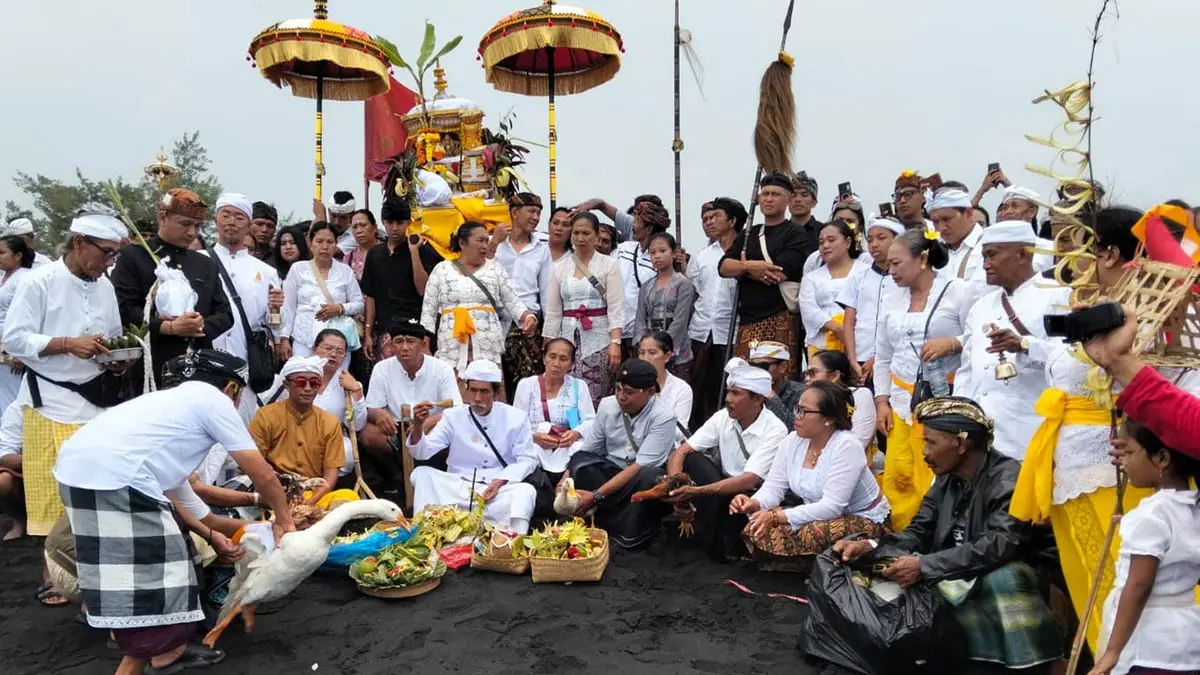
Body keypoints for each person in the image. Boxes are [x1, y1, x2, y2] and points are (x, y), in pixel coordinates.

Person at [53, 349, 295, 675]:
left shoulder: (170, 411)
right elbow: (260, 472)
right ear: (231, 389)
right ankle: (155, 654)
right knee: (167, 570)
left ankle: (146, 644)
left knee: (121, 570)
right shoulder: (212, 399)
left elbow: (200, 514)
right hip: (119, 476)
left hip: (76, 472)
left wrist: (216, 535)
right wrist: (285, 521)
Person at [831, 397, 1061, 671]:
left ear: (961, 444)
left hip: (1013, 571)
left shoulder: (1007, 477)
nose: (925, 452)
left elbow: (1000, 545)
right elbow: (918, 532)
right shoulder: (945, 479)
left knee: (1003, 578)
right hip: (959, 566)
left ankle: (1025, 662)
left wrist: (925, 566)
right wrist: (871, 547)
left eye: (931, 443)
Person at [3, 214, 126, 605]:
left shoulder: (105, 287)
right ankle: (52, 576)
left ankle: (91, 570)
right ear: (79, 243)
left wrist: (116, 358)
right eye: (105, 253)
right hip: (50, 402)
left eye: (114, 255)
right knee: (52, 493)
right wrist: (67, 344)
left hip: (96, 401)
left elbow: (113, 336)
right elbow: (14, 339)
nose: (109, 262)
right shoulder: (39, 282)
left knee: (94, 490)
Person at [873, 228, 973, 530]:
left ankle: (935, 539)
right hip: (901, 400)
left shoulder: (958, 291)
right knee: (899, 474)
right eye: (888, 264)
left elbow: (980, 336)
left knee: (934, 473)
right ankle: (903, 536)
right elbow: (883, 354)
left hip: (942, 398)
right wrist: (882, 401)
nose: (891, 271)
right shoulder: (891, 297)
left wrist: (952, 343)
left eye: (896, 263)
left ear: (923, 259)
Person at [734, 381, 889, 572]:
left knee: (811, 531)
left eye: (804, 411)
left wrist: (777, 516)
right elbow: (773, 488)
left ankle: (839, 560)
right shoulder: (792, 441)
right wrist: (754, 503)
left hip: (862, 518)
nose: (797, 417)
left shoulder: (847, 446)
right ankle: (810, 564)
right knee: (756, 525)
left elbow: (832, 506)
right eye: (797, 409)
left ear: (828, 419)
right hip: (817, 514)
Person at [1088, 417, 1200, 675]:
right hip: (1186, 641)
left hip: (1148, 646)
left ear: (1162, 458)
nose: (1123, 462)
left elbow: (1138, 585)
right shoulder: (1192, 507)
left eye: (1128, 452)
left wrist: (1112, 651)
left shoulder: (1151, 515)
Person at [953, 221, 1068, 462]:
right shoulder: (981, 307)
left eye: (992, 255)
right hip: (982, 439)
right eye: (984, 256)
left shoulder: (1058, 296)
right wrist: (959, 420)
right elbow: (966, 372)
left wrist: (1025, 346)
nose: (985, 264)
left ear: (1022, 254)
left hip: (1029, 433)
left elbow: (1070, 360)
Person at [109, 188, 235, 391]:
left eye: (197, 226)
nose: (192, 232)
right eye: (185, 224)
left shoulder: (205, 264)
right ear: (163, 217)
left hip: (198, 366)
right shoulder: (135, 257)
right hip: (150, 367)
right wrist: (168, 327)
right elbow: (123, 309)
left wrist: (199, 326)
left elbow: (225, 314)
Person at [665, 358, 788, 561]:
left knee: (732, 516)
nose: (728, 399)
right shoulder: (723, 416)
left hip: (751, 494)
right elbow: (681, 452)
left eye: (736, 393)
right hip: (721, 485)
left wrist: (696, 491)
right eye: (729, 392)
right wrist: (676, 489)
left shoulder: (775, 430)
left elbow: (749, 480)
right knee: (693, 459)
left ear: (758, 399)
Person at [406, 360, 538, 533]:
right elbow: (422, 453)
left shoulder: (516, 418)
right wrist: (418, 426)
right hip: (457, 488)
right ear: (466, 389)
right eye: (473, 390)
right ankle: (424, 534)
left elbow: (528, 459)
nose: (477, 398)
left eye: (484, 391)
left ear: (496, 393)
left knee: (526, 492)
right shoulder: (452, 416)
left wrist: (500, 481)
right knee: (421, 474)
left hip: (495, 490)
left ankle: (510, 542)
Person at [567, 359, 677, 549]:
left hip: (637, 476)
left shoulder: (664, 417)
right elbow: (588, 450)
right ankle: (597, 521)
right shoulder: (607, 405)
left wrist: (595, 495)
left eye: (629, 392)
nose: (621, 397)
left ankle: (634, 533)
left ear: (650, 392)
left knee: (650, 477)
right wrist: (564, 482)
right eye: (618, 389)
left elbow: (640, 466)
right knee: (579, 461)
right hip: (611, 470)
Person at [360, 319, 462, 500]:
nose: (404, 347)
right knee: (369, 435)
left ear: (423, 344)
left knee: (456, 434)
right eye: (399, 342)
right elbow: (371, 408)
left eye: (410, 341)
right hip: (397, 427)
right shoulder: (382, 368)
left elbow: (456, 408)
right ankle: (397, 476)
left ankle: (442, 479)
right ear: (392, 345)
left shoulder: (441, 368)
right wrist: (379, 414)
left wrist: (425, 423)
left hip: (432, 426)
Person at [203, 194, 284, 419]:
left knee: (241, 427)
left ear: (248, 225)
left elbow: (274, 326)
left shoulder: (266, 272)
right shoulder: (199, 261)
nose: (231, 222)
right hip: (205, 358)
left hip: (246, 362)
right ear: (215, 220)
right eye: (226, 215)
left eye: (239, 217)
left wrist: (275, 310)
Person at [719, 172, 808, 377]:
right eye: (765, 194)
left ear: (788, 199)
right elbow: (723, 267)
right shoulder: (749, 233)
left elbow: (778, 273)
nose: (769, 199)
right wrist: (749, 267)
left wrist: (742, 269)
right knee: (742, 378)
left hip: (779, 316)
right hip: (747, 319)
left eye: (775, 194)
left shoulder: (795, 233)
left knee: (776, 378)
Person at [422, 222, 536, 378]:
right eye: (480, 240)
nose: (484, 246)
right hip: (451, 346)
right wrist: (424, 343)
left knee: (487, 385)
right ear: (462, 243)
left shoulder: (495, 269)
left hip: (487, 345)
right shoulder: (441, 269)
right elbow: (428, 310)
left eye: (486, 241)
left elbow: (512, 301)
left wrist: (527, 317)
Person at [263, 330, 366, 491]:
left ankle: (324, 488)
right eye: (328, 348)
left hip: (327, 439)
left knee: (347, 452)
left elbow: (357, 425)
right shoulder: (294, 371)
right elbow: (271, 403)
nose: (333, 354)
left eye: (340, 352)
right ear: (314, 349)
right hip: (289, 431)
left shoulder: (348, 382)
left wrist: (356, 391)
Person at [541, 212, 624, 406]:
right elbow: (553, 311)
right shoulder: (559, 267)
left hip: (599, 339)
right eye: (576, 233)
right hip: (567, 339)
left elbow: (616, 307)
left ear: (596, 235)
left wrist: (616, 342)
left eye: (586, 233)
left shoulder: (609, 265)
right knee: (566, 395)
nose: (580, 238)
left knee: (596, 394)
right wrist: (549, 344)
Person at [510, 338, 596, 515]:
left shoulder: (578, 387)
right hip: (537, 444)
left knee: (582, 451)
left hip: (566, 445)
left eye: (563, 359)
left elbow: (591, 421)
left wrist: (575, 433)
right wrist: (535, 437)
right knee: (526, 454)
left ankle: (566, 494)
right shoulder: (527, 385)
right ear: (544, 358)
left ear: (571, 364)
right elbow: (515, 424)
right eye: (552, 356)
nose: (556, 363)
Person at [249, 356, 345, 507]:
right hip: (274, 489)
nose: (307, 388)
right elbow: (254, 461)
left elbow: (331, 473)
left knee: (348, 496)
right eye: (301, 382)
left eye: (314, 383)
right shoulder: (265, 416)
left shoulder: (330, 422)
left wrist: (309, 502)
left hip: (312, 493)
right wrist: (280, 490)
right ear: (286, 385)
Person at [360, 200, 441, 364]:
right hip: (386, 328)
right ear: (383, 222)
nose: (395, 228)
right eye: (390, 223)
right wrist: (368, 333)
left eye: (400, 223)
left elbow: (423, 290)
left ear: (408, 223)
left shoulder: (423, 251)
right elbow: (370, 296)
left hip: (416, 327)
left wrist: (414, 252)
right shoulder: (374, 254)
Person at [278, 221, 364, 370]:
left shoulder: (345, 271)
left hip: (336, 342)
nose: (325, 246)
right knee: (305, 378)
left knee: (336, 380)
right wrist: (284, 338)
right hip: (304, 339)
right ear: (310, 243)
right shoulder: (298, 269)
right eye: (319, 241)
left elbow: (359, 304)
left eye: (330, 242)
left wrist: (340, 308)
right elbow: (288, 307)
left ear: (335, 244)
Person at [687, 197, 743, 425]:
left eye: (717, 216)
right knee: (698, 386)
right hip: (700, 330)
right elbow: (694, 291)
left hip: (731, 331)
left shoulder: (744, 253)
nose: (710, 222)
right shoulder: (702, 256)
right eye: (707, 218)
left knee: (726, 386)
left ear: (732, 221)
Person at [492, 193, 552, 397]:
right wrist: (494, 242)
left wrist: (548, 331)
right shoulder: (495, 243)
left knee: (527, 386)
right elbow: (480, 268)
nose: (536, 217)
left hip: (526, 325)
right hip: (496, 322)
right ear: (515, 212)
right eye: (531, 211)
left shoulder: (541, 250)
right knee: (496, 384)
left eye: (539, 213)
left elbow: (546, 293)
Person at [840, 214, 902, 381]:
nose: (874, 244)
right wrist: (853, 360)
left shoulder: (904, 278)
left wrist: (877, 359)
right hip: (860, 356)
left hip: (894, 358)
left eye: (881, 238)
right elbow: (849, 322)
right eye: (870, 239)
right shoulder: (858, 276)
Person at [634, 232, 696, 379]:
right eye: (653, 252)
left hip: (676, 350)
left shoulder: (683, 284)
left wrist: (663, 347)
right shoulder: (646, 286)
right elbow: (640, 319)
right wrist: (645, 347)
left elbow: (680, 321)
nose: (657, 256)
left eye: (662, 251)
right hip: (649, 351)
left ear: (673, 253)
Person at [798, 218, 863, 357]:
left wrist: (849, 331)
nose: (825, 245)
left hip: (860, 339)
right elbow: (808, 309)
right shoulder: (811, 277)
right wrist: (837, 328)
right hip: (822, 344)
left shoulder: (864, 271)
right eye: (821, 242)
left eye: (831, 240)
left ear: (847, 242)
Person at [614, 201, 668, 357]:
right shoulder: (623, 249)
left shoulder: (660, 260)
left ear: (649, 228)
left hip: (644, 335)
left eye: (636, 221)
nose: (632, 226)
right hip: (616, 331)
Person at [804, 350, 877, 453]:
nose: (807, 378)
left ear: (834, 376)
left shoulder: (860, 395)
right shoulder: (810, 400)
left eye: (813, 373)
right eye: (806, 373)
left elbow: (859, 441)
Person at [928, 186, 987, 301]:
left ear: (969, 213)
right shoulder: (934, 249)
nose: (941, 228)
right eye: (935, 222)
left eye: (947, 219)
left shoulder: (987, 246)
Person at [0, 235, 36, 413]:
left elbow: (28, 315)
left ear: (18, 255)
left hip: (11, 348)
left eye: (2, 252)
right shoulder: (3, 276)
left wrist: (19, 354)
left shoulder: (25, 278)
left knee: (11, 398)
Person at [638, 331, 692, 431]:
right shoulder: (630, 384)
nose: (645, 359)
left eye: (652, 353)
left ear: (667, 356)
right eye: (642, 353)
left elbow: (679, 431)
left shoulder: (682, 389)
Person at [750, 341, 805, 429]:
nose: (757, 372)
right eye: (753, 366)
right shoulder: (748, 391)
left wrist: (772, 398)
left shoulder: (800, 393)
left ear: (783, 367)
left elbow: (794, 428)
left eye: (762, 366)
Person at [0, 402, 25, 540]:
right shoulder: (18, 407)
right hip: (31, 469)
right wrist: (37, 461)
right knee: (2, 480)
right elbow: (5, 454)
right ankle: (20, 521)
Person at [788, 171, 823, 266]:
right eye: (793, 195)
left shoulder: (823, 231)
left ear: (814, 202)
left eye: (804, 195)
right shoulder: (780, 231)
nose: (798, 200)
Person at [320, 190, 359, 258]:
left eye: (343, 217)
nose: (337, 222)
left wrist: (320, 218)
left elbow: (326, 252)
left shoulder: (354, 237)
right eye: (333, 216)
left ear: (352, 216)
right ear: (328, 212)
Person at [344, 209, 379, 281]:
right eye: (354, 227)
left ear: (375, 227)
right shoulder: (349, 258)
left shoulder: (388, 252)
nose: (359, 231)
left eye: (363, 225)